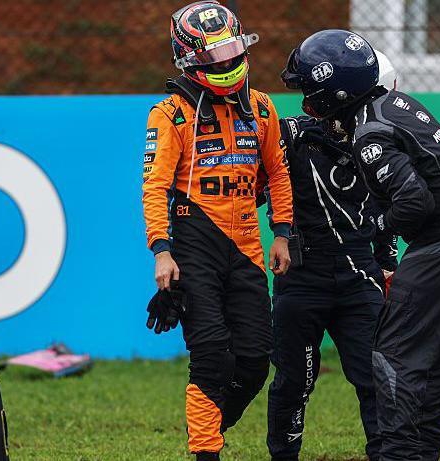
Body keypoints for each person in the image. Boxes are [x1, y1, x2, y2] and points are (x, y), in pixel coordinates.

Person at [281, 29, 440, 461]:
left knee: (394, 353)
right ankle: (424, 449)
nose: (307, 105)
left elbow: (414, 201)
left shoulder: (368, 132)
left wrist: (378, 223)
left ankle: (399, 452)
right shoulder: (395, 104)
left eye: (309, 93)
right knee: (436, 354)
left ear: (335, 92)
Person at [141, 2, 293, 460]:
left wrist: (282, 233)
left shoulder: (262, 107)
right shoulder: (169, 114)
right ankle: (205, 451)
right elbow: (155, 185)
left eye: (230, 52)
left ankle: (208, 422)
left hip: (248, 247)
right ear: (187, 59)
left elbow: (278, 172)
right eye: (214, 57)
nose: (226, 63)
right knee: (210, 356)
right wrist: (162, 250)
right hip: (193, 245)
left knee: (255, 360)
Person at [266, 114, 398, 461]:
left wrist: (387, 260)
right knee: (294, 381)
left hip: (359, 272)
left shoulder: (377, 135)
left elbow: (389, 201)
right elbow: (253, 188)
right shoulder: (291, 132)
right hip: (300, 272)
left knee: (376, 375)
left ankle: (387, 455)